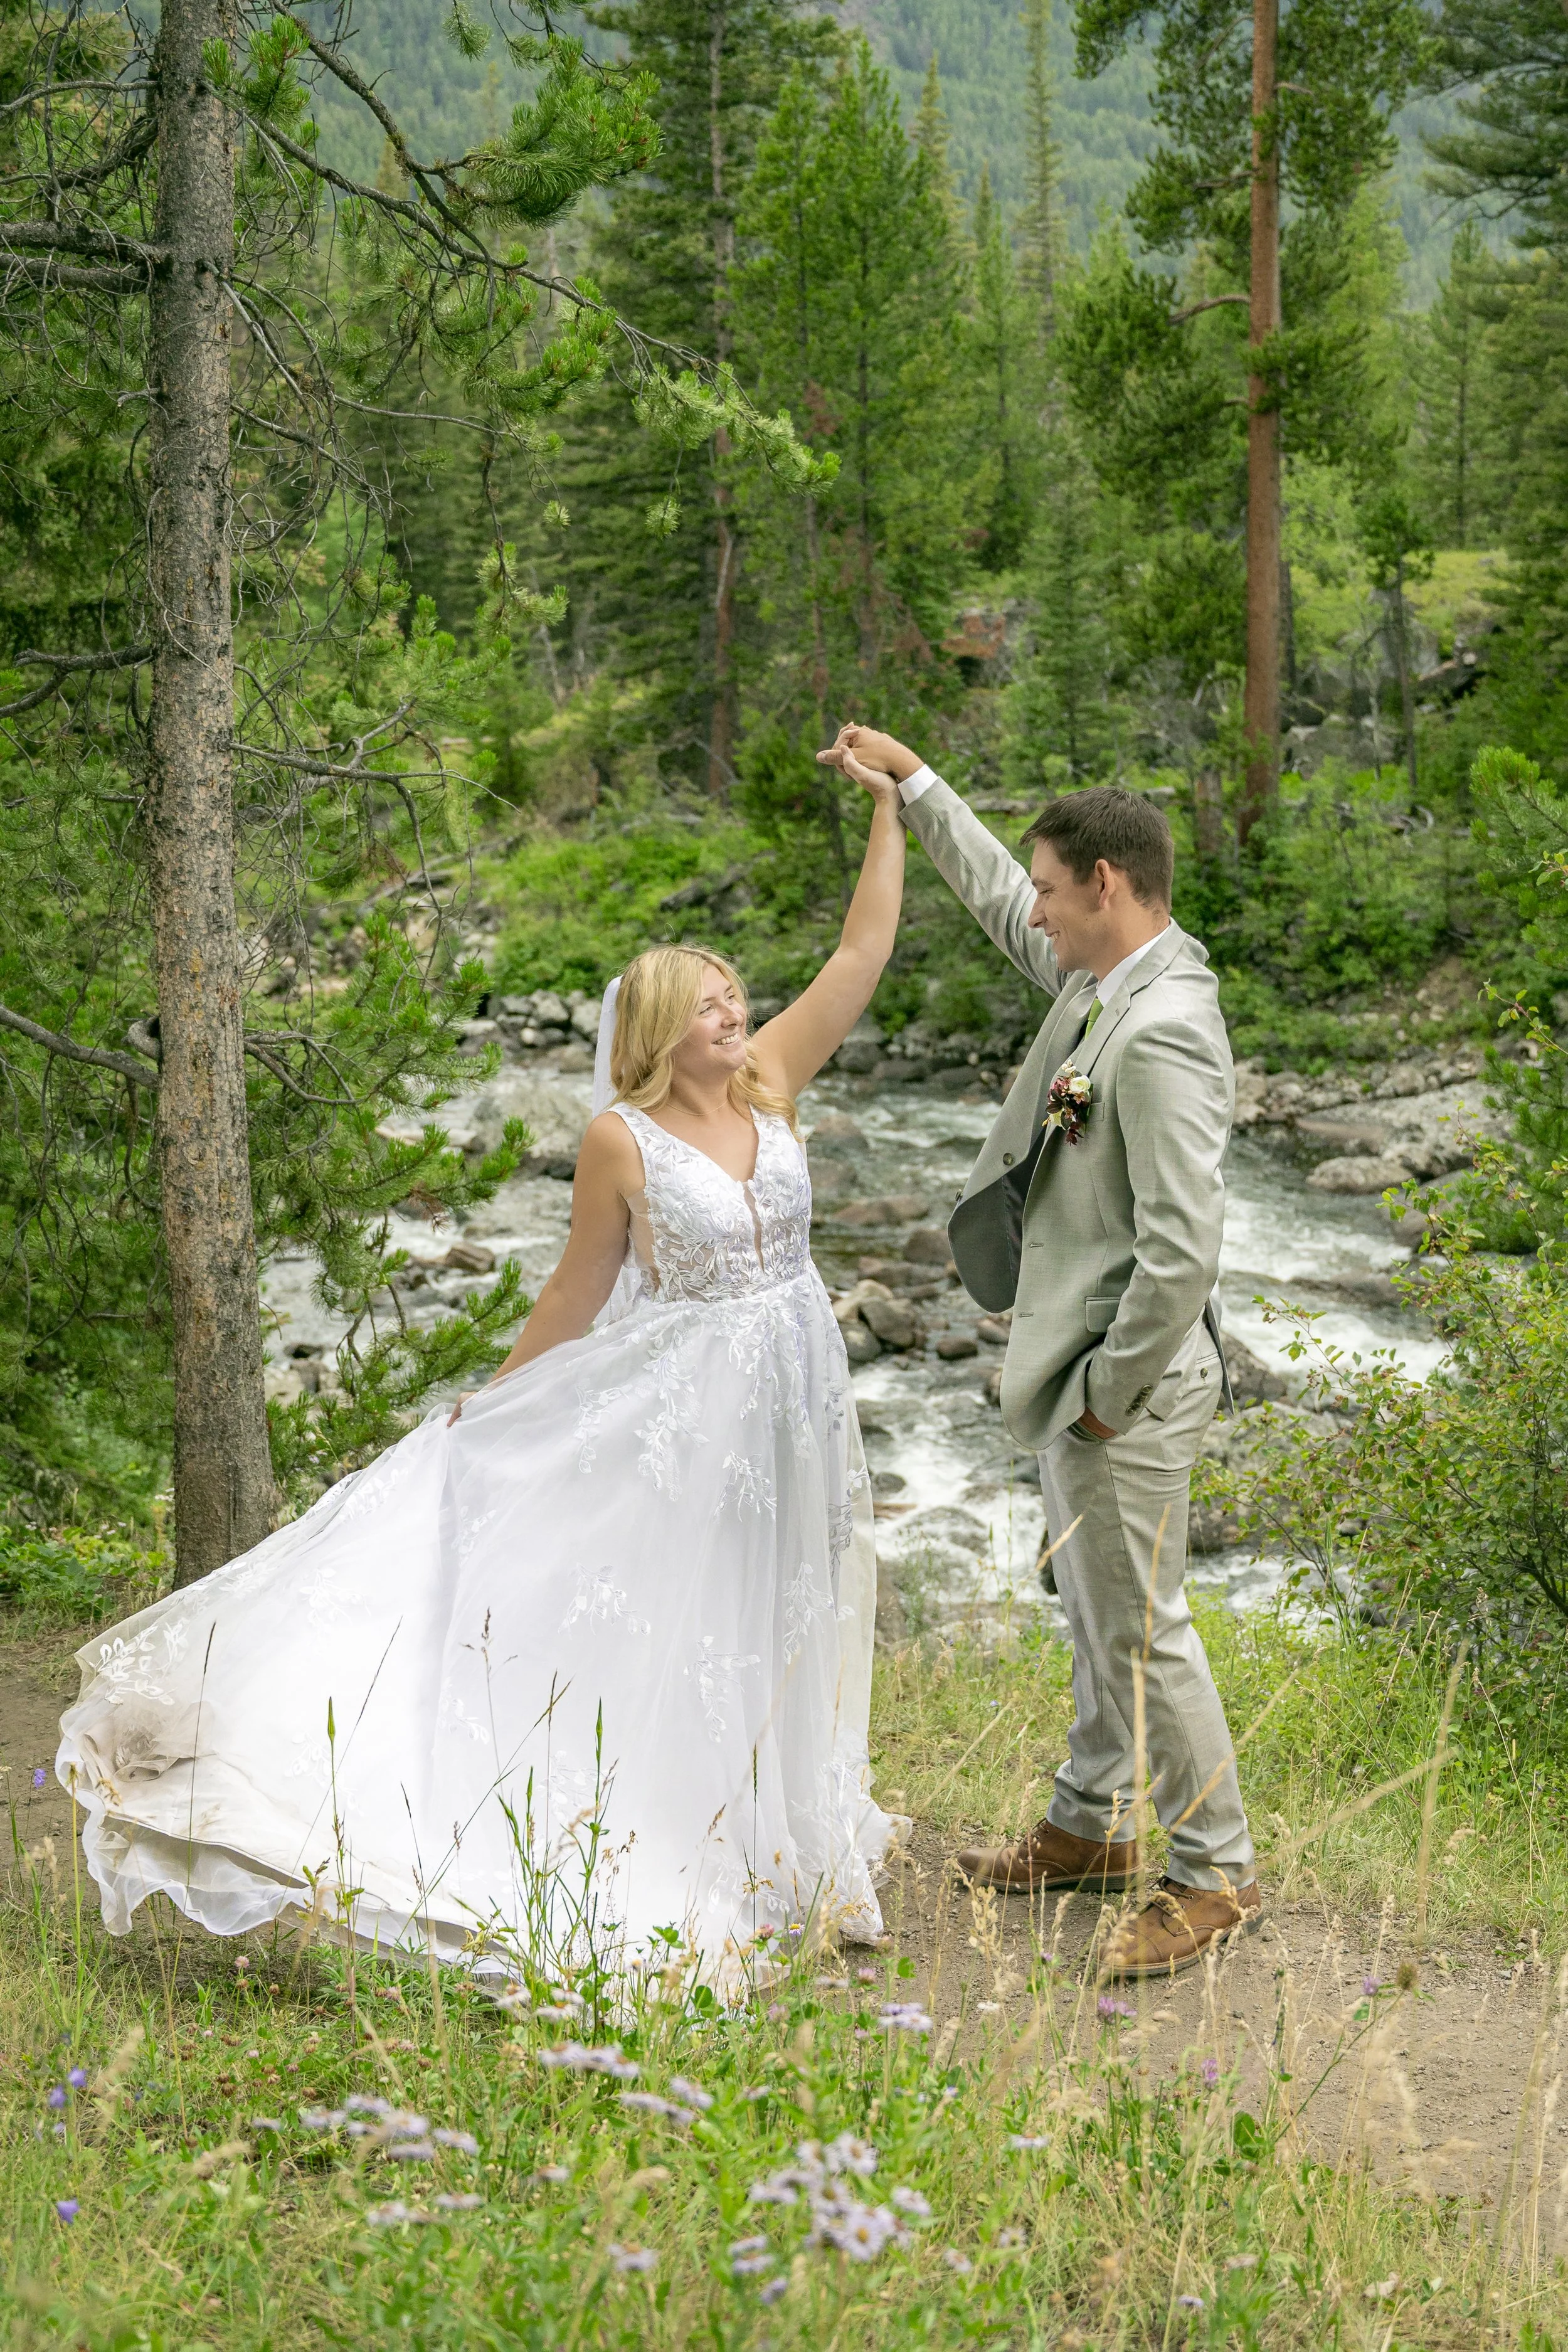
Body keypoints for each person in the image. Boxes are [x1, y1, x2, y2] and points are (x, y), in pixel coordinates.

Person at [56, 754, 911, 1990]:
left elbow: (858, 959)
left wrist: (890, 809)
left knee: (779, 1602)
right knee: (697, 1620)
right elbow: (575, 1288)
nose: (735, 1013)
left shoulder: (773, 1086)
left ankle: (792, 1849)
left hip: (792, 1395)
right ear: (660, 1031)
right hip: (687, 1404)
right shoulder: (620, 1142)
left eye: (736, 997)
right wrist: (499, 1407)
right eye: (711, 1003)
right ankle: (688, 1843)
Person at [819, 725, 1259, 1981]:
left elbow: (1182, 1250)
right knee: (1093, 1607)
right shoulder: (1094, 976)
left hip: (1121, 1382)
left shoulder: (1164, 1027)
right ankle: (1086, 1824)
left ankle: (1211, 1870)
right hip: (1076, 1371)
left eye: (1055, 893)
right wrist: (912, 785)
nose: (1039, 916)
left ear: (1108, 890)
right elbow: (996, 895)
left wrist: (1110, 1395)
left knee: (1143, 1628)